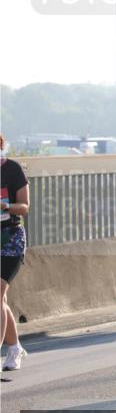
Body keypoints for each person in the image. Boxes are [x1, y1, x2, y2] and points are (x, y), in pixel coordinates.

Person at [1, 134, 30, 372]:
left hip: (11, 238)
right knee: (1, 301)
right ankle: (14, 347)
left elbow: (25, 206)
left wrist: (7, 206)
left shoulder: (13, 169)